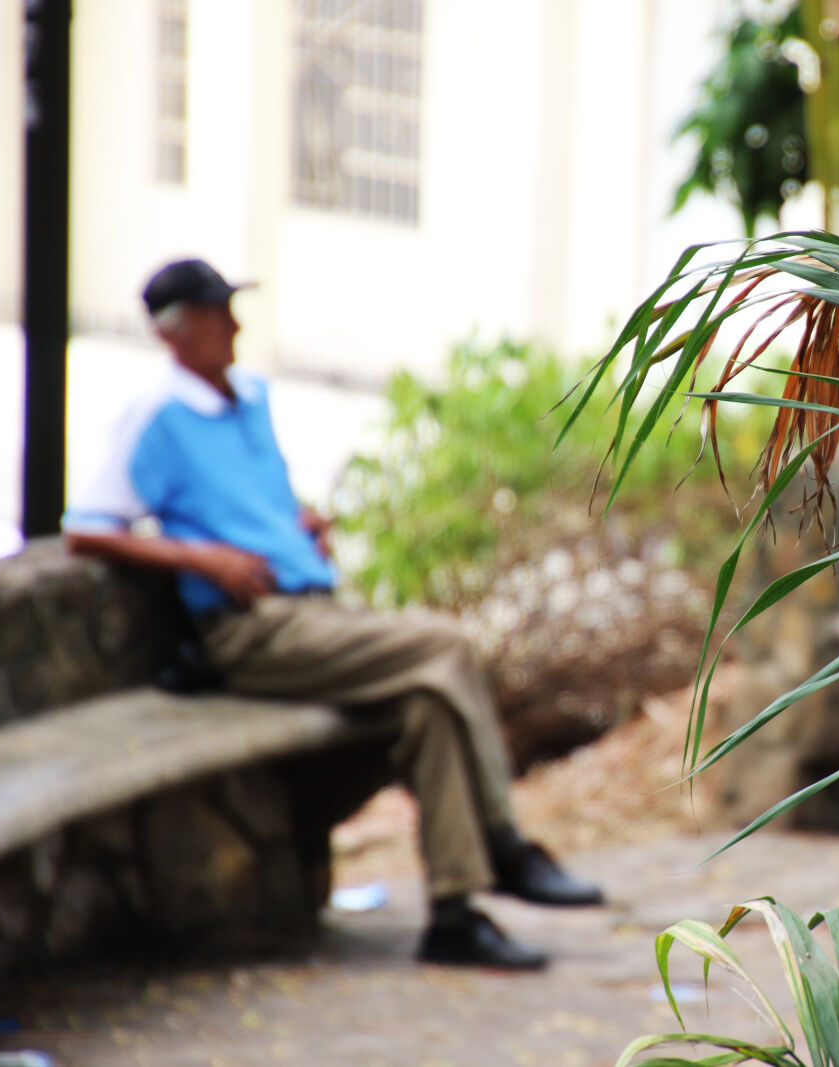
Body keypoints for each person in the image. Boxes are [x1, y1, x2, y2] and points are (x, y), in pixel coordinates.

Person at [63, 257, 601, 971]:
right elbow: (85, 528)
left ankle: (453, 916)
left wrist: (298, 525)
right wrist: (205, 560)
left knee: (427, 706)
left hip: (313, 611)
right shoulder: (155, 413)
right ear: (177, 332)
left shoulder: (248, 397)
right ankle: (505, 843)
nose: (235, 324)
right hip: (250, 630)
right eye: (219, 312)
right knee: (445, 645)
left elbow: (259, 503)